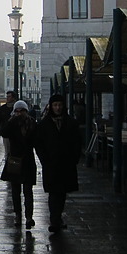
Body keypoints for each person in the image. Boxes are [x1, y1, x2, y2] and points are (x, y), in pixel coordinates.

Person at [37, 94, 81, 233]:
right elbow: (39, 145)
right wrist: (44, 160)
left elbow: (77, 143)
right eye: (55, 105)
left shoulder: (71, 123)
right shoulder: (44, 125)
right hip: (51, 163)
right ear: (51, 106)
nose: (57, 108)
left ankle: (57, 218)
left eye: (60, 105)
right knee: (53, 193)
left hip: (66, 163)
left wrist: (74, 159)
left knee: (61, 193)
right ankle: (55, 219)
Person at [0, 100, 40, 229]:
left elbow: (37, 140)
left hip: (27, 159)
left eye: (21, 110)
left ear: (26, 111)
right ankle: (17, 215)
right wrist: (11, 120)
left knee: (28, 190)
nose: (19, 113)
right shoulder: (12, 123)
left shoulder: (32, 123)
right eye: (17, 111)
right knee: (15, 191)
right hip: (15, 160)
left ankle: (29, 217)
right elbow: (3, 132)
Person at [0, 90, 18, 156]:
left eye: (9, 97)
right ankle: (8, 163)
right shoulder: (3, 108)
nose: (7, 98)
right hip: (6, 132)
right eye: (7, 96)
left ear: (13, 98)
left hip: (16, 132)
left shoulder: (17, 108)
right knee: (7, 150)